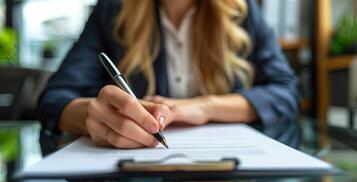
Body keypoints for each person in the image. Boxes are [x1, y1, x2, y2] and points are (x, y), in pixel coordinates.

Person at [38, 0, 300, 149]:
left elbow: (286, 92)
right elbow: (54, 99)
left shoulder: (241, 11)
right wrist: (93, 117)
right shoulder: (112, 10)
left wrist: (205, 107)